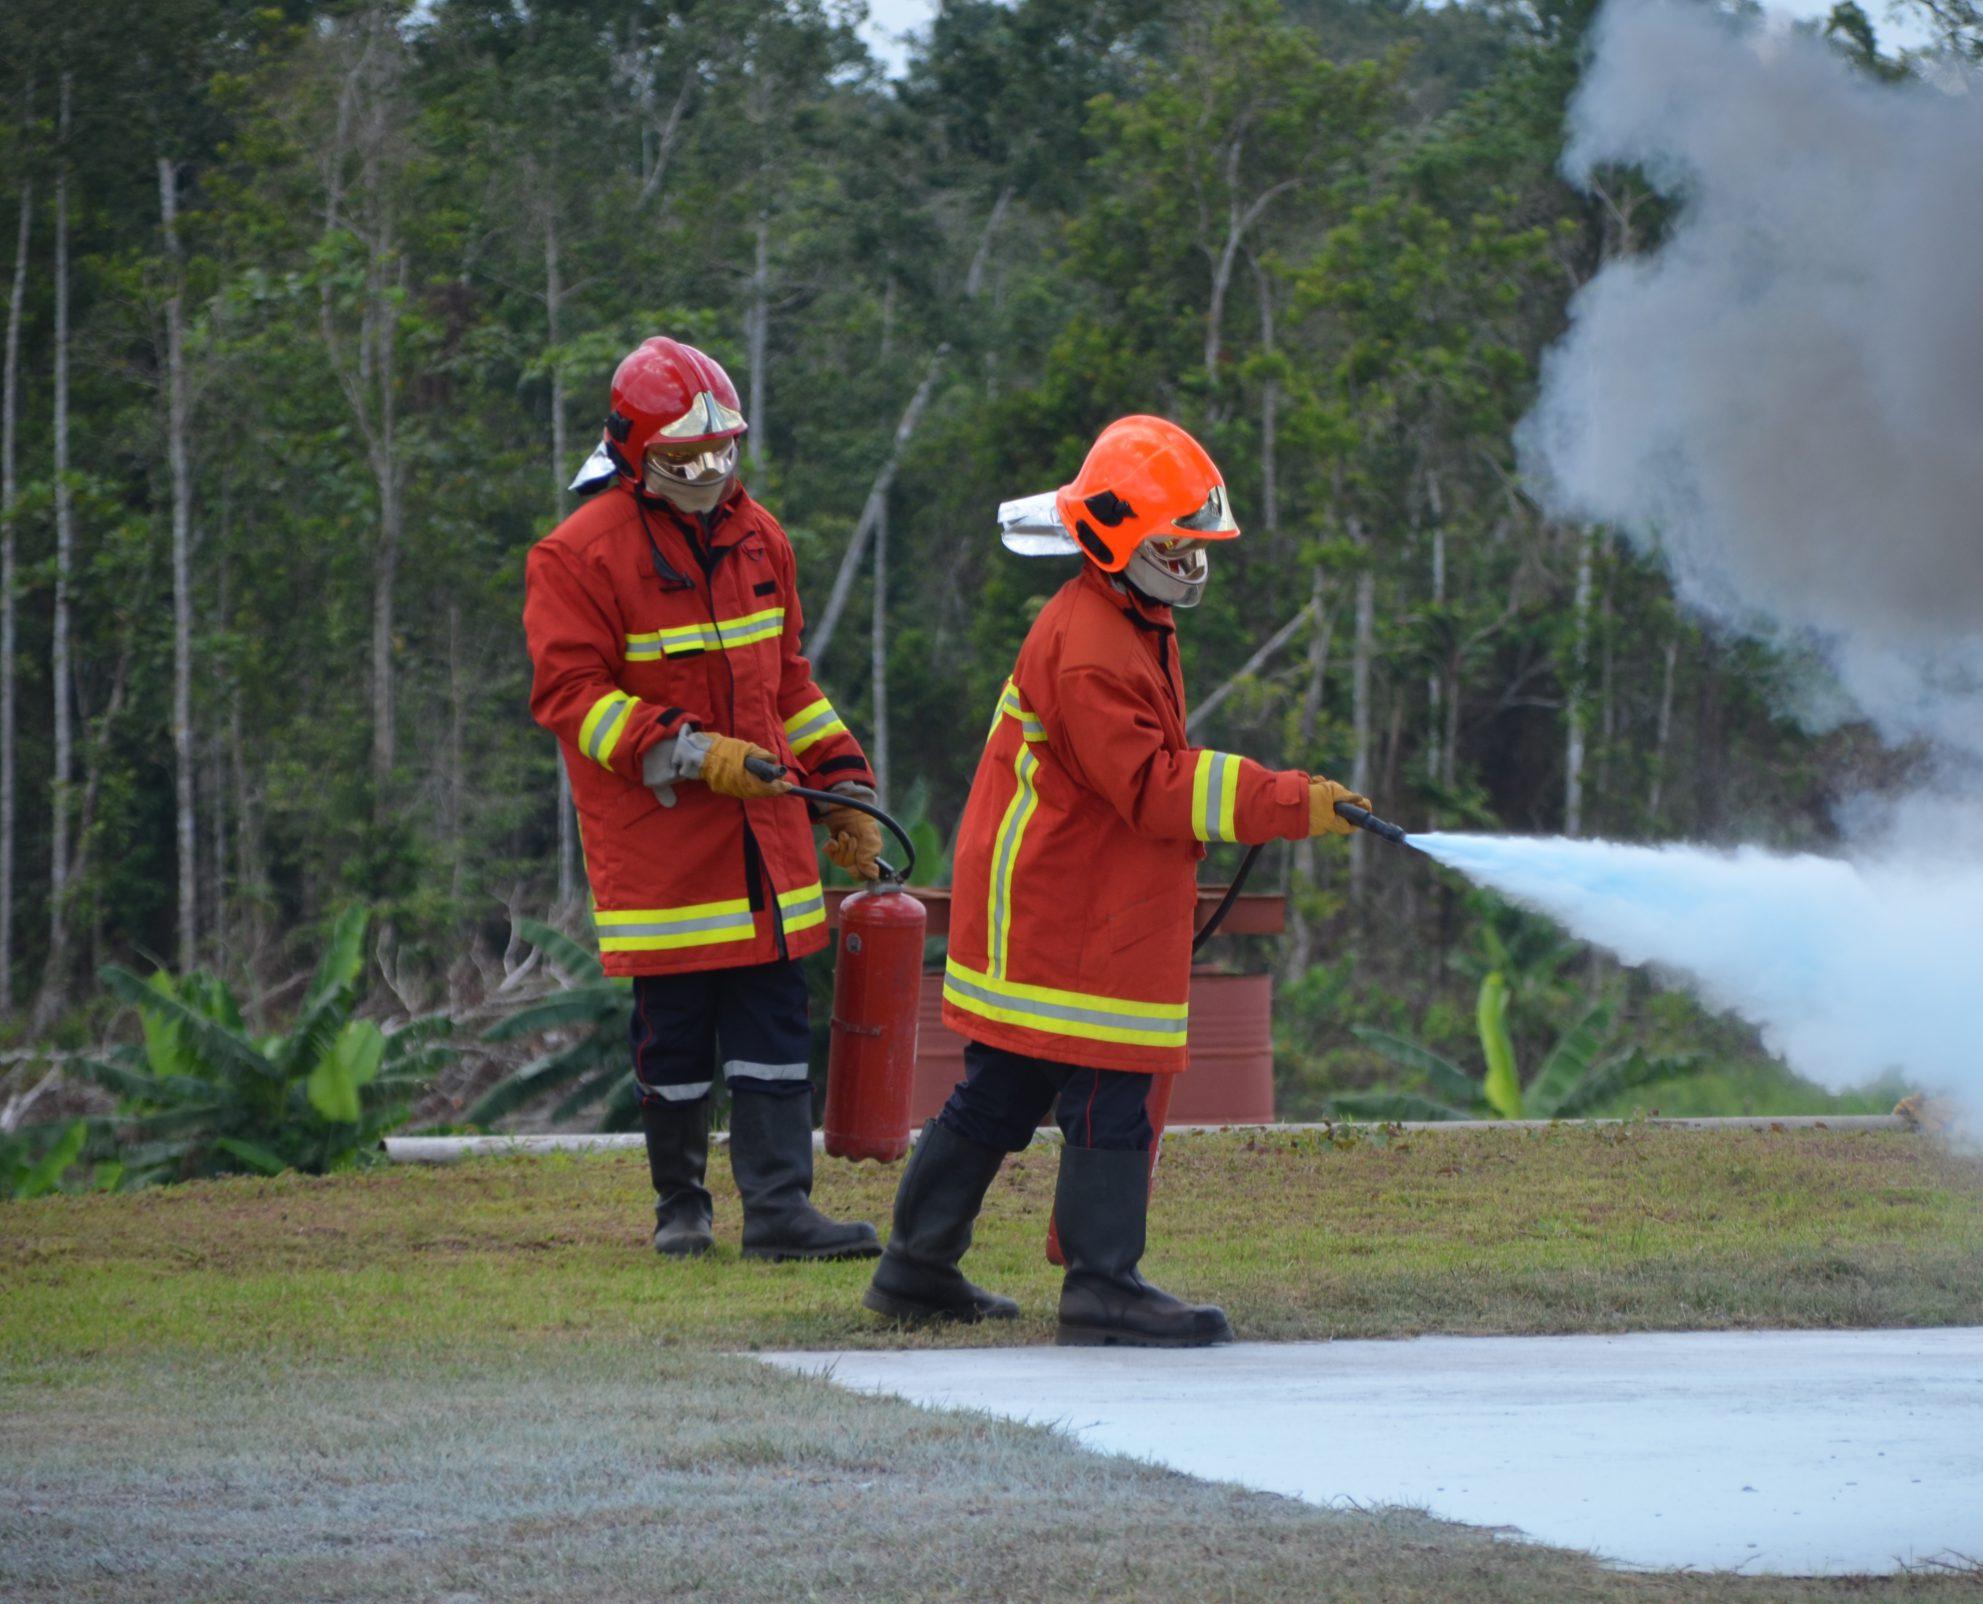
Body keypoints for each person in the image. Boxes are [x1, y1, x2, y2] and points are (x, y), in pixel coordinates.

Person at [863, 415, 1368, 1345]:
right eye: (1173, 545)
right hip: (1064, 903)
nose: (1189, 563)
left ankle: (915, 1268)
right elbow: (1150, 784)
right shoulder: (1094, 642)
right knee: (1110, 1083)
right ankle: (1103, 1286)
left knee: (1006, 1087)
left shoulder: (1130, 614)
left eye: (1193, 545)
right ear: (1111, 537)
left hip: (1058, 891)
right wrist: (1286, 801)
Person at [524, 335, 884, 1261]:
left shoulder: (761, 538)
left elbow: (788, 687)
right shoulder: (576, 556)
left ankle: (780, 1212)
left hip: (767, 847)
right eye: (687, 459)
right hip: (662, 845)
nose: (711, 473)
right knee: (674, 1042)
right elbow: (571, 698)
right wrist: (685, 753)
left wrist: (844, 786)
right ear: (635, 455)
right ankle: (680, 1208)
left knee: (773, 1031)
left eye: (725, 454)